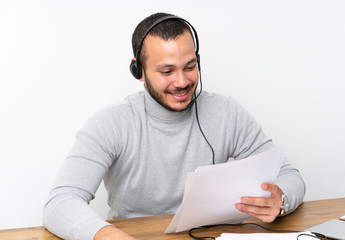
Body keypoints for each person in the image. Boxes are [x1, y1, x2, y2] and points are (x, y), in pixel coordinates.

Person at [43, 12, 305, 240]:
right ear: (139, 71)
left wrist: (281, 201)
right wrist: (110, 236)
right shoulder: (110, 123)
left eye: (190, 67)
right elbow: (60, 202)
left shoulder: (227, 112)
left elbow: (289, 175)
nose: (181, 81)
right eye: (167, 71)